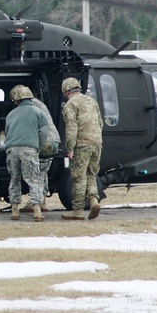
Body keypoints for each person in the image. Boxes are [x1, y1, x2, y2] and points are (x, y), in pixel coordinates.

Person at [61, 77, 104, 220]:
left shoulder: (70, 105)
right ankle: (93, 201)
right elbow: (100, 123)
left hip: (82, 145)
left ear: (66, 91)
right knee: (91, 174)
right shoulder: (92, 101)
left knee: (79, 177)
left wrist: (70, 148)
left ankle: (78, 211)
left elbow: (71, 128)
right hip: (96, 143)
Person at [4, 85, 47, 222]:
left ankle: (15, 210)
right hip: (29, 149)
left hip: (12, 150)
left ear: (16, 100)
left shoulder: (11, 114)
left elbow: (7, 131)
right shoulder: (38, 112)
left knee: (14, 178)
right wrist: (38, 147)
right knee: (33, 179)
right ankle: (37, 211)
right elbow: (44, 132)